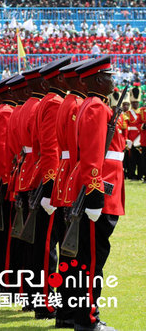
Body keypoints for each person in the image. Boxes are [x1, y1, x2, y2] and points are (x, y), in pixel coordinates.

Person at [60, 56, 125, 331]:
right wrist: (95, 191)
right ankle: (88, 320)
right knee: (91, 261)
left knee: (81, 259)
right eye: (109, 76)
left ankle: (74, 314)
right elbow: (92, 155)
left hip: (93, 187)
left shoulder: (90, 105)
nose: (113, 81)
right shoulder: (97, 108)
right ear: (99, 80)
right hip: (101, 190)